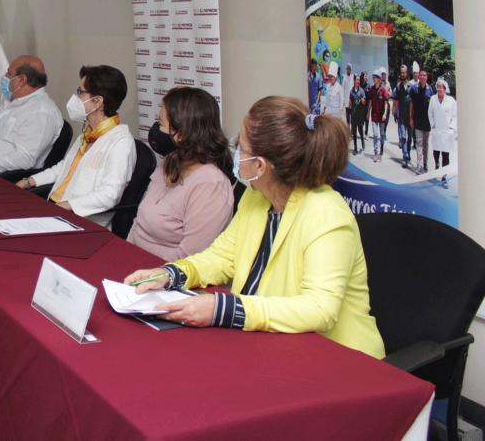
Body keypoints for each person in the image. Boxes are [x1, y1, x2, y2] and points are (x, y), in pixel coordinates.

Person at [124, 97, 385, 359]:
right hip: (267, 344)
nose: (235, 152)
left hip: (338, 359)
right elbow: (222, 257)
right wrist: (172, 274)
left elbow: (319, 309)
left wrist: (224, 308)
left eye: (241, 146)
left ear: (260, 166)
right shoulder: (256, 196)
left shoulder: (326, 213)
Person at [16, 65, 135, 229]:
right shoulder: (89, 133)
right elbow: (63, 168)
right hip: (57, 210)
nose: (76, 97)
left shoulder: (121, 141)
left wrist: (64, 206)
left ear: (98, 102)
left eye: (81, 92)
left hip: (80, 221)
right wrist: (28, 181)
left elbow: (110, 195)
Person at [127, 87, 233, 262]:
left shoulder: (211, 185)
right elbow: (139, 222)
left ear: (182, 134)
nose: (156, 129)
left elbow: (190, 258)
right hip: (135, 264)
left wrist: (147, 272)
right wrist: (125, 254)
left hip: (165, 273)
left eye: (161, 124)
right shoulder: (171, 161)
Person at [428, 78, 457, 180]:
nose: (439, 89)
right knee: (436, 150)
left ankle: (444, 175)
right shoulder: (433, 99)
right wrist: (432, 124)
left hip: (446, 131)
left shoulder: (451, 101)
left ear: (445, 89)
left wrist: (451, 127)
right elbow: (430, 113)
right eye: (438, 87)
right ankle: (437, 165)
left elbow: (455, 115)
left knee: (445, 153)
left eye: (441, 88)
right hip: (437, 129)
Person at [409, 69, 434, 174]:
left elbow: (433, 106)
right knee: (419, 142)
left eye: (424, 76)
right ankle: (419, 165)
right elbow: (411, 103)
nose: (423, 77)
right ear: (419, 77)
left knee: (425, 143)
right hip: (417, 120)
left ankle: (425, 163)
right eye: (421, 75)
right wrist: (411, 117)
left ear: (427, 77)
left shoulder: (430, 90)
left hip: (427, 122)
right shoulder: (414, 88)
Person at [367, 70, 390, 163]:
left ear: (379, 79)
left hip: (381, 115)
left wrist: (385, 114)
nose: (373, 79)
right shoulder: (371, 89)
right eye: (373, 77)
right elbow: (370, 101)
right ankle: (376, 152)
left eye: (375, 77)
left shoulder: (383, 90)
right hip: (374, 115)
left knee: (382, 134)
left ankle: (381, 148)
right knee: (375, 134)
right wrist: (368, 112)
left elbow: (386, 103)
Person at [392, 64, 412, 167]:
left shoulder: (411, 86)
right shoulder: (398, 86)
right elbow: (396, 100)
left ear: (407, 73)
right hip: (402, 116)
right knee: (403, 136)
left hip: (410, 116)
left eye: (404, 72)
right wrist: (395, 112)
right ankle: (405, 156)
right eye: (401, 73)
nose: (402, 74)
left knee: (410, 138)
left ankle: (408, 153)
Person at [349, 75, 366, 156]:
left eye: (359, 80)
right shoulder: (351, 91)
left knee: (360, 130)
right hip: (354, 114)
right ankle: (355, 148)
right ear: (354, 81)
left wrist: (361, 99)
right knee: (354, 131)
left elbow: (365, 102)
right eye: (357, 80)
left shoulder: (361, 91)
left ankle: (362, 141)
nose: (358, 81)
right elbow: (350, 102)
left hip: (360, 114)